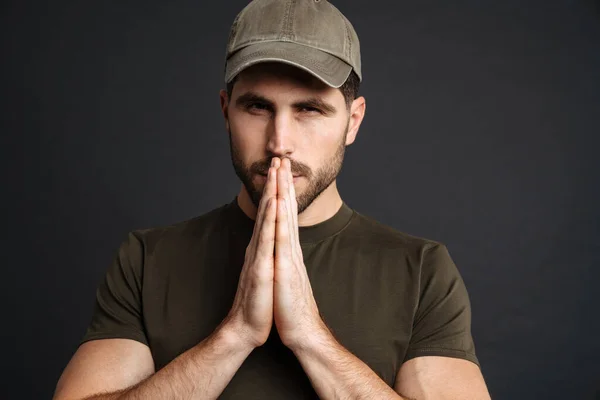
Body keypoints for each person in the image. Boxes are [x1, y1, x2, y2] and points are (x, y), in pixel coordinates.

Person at [53, 0, 491, 399]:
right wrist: (236, 333)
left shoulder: (421, 270)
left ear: (352, 121)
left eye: (310, 109)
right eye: (258, 107)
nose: (279, 142)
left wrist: (310, 336)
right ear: (226, 111)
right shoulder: (147, 258)